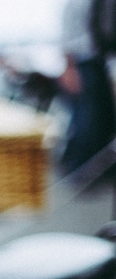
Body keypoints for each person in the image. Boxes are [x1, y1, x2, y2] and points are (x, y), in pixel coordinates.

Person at [59, 0, 116, 177]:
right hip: (83, 61)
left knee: (101, 117)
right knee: (86, 118)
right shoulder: (77, 3)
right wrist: (69, 68)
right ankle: (80, 169)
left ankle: (99, 172)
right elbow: (67, 34)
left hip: (101, 60)